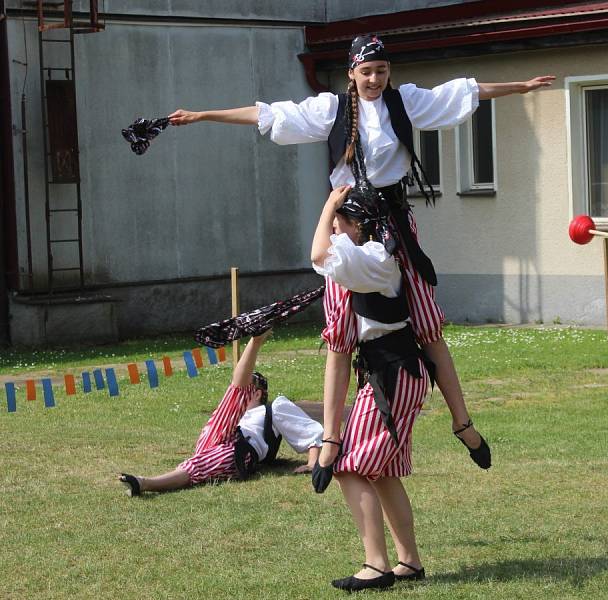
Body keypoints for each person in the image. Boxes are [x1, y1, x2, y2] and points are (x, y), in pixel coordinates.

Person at [168, 33, 555, 469]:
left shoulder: (404, 103)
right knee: (339, 333)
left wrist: (519, 87)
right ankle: (331, 439)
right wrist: (203, 115)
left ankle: (462, 423)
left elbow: (462, 92)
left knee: (427, 326)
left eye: (381, 71)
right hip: (346, 225)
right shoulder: (330, 109)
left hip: (393, 226)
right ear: (352, 72)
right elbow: (268, 114)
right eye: (366, 71)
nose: (374, 78)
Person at [309, 184, 433, 591]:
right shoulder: (375, 258)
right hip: (396, 372)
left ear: (355, 225)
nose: (333, 228)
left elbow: (317, 255)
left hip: (392, 374)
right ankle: (409, 562)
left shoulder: (368, 260)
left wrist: (328, 204)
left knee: (350, 466)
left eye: (339, 222)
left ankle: (376, 565)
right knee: (381, 473)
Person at [117, 332, 324, 496]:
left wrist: (312, 462)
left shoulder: (272, 408)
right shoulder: (232, 413)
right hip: (218, 433)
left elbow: (309, 432)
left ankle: (144, 483)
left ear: (257, 392)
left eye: (247, 381)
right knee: (229, 404)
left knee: (198, 464)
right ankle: (145, 483)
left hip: (241, 448)